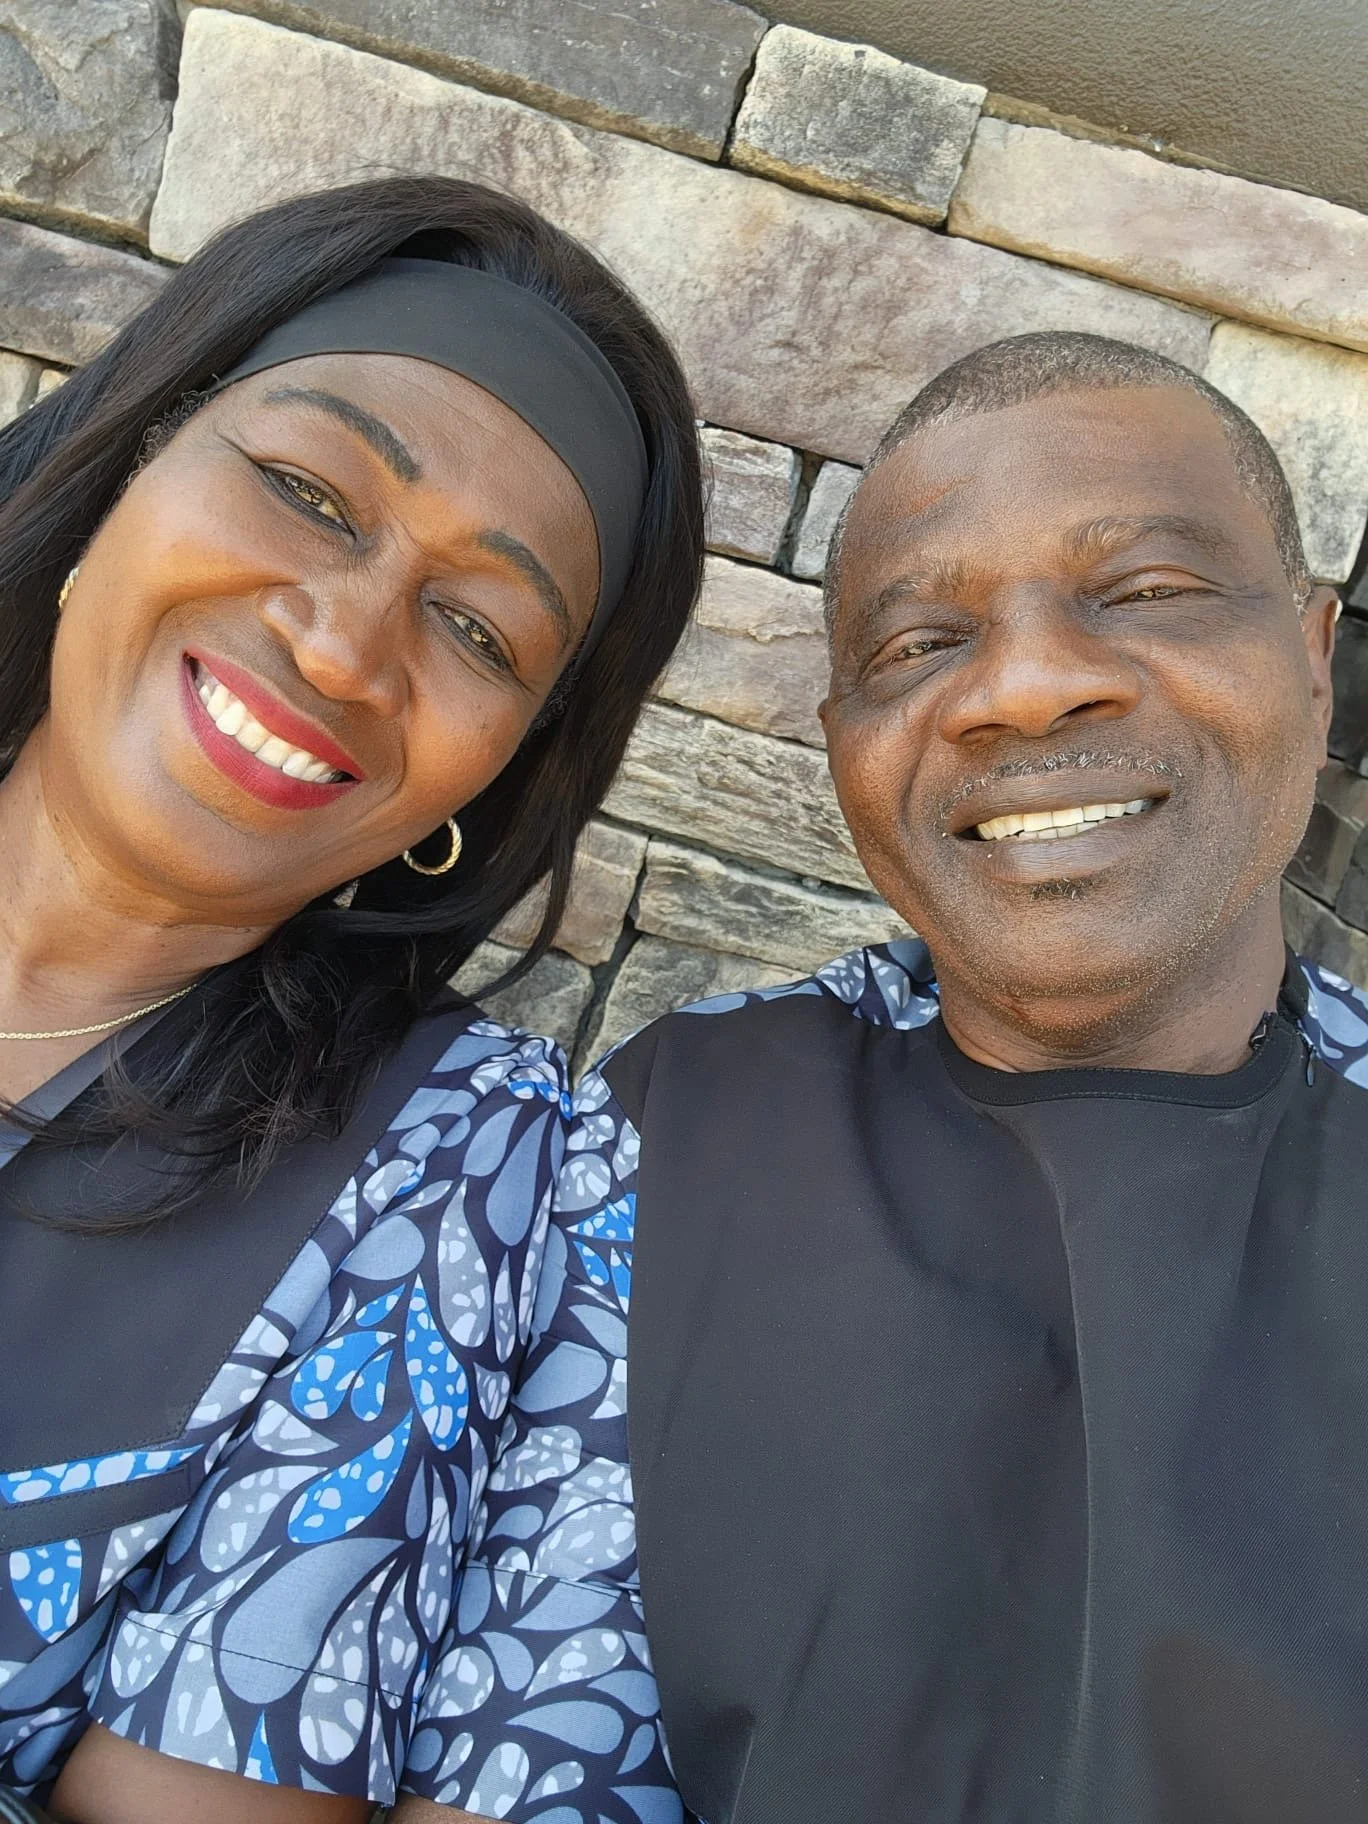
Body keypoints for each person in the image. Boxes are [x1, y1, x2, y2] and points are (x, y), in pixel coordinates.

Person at [394, 332, 1368, 1824]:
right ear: (842, 740)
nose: (1026, 687)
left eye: (1149, 590)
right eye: (918, 645)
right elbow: (531, 1748)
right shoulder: (678, 1132)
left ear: (1310, 654)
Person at [0, 174, 702, 1821]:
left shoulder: (453, 1178)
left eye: (476, 627)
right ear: (129, 460)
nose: (340, 647)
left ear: (501, 767)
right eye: (310, 493)